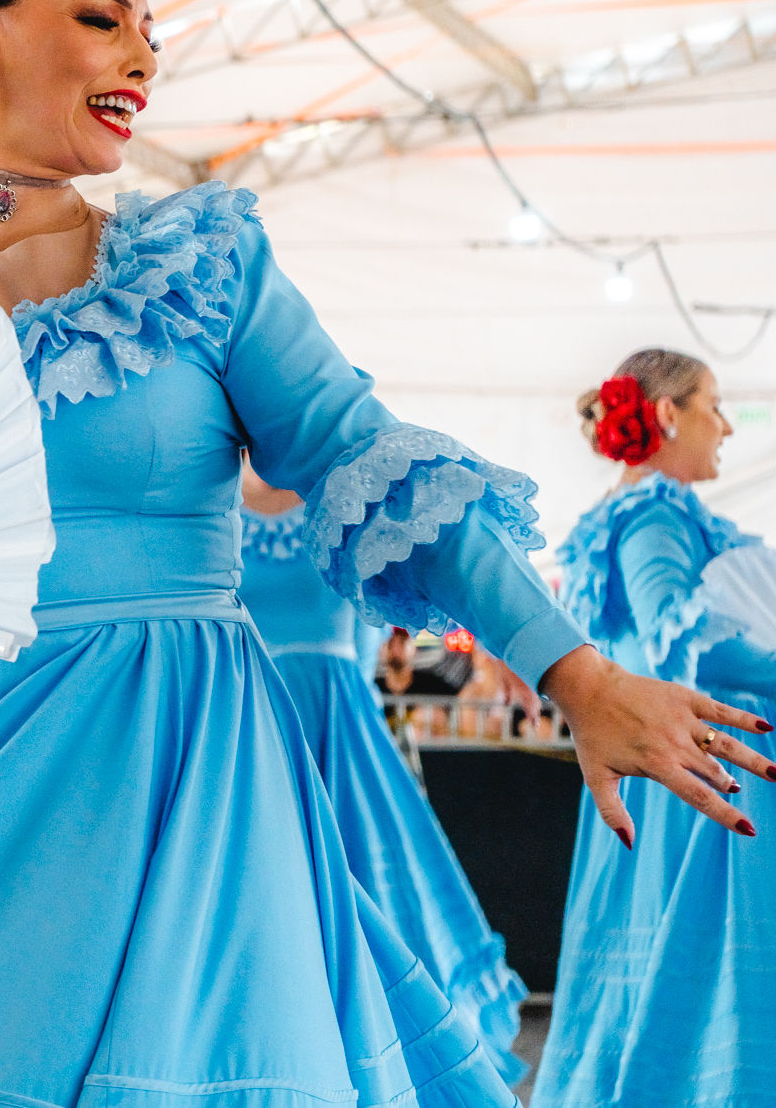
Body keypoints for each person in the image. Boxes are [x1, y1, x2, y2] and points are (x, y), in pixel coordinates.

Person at [0, 0, 776, 1108]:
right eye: (100, 18)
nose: (142, 54)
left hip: (176, 764)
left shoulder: (198, 271)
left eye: (148, 30)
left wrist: (578, 678)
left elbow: (370, 469)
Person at [533, 350, 776, 1106]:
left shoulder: (633, 513)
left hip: (673, 765)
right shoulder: (655, 513)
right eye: (714, 405)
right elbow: (680, 635)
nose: (726, 426)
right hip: (709, 765)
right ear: (667, 414)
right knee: (734, 972)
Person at [239, 461, 528, 1084]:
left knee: (373, 892)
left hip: (342, 735)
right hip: (251, 730)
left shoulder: (345, 502)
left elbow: (447, 566)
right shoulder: (205, 505)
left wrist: (511, 643)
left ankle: (382, 1062)